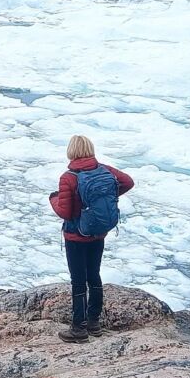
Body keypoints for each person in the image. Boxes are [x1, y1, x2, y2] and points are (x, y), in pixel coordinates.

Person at [49, 135, 134, 343]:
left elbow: (66, 212)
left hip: (75, 236)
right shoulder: (104, 170)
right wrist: (105, 198)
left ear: (71, 151)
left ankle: (79, 328)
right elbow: (128, 182)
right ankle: (94, 322)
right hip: (97, 233)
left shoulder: (68, 178)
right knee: (94, 275)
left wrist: (53, 199)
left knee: (78, 281)